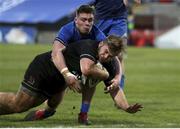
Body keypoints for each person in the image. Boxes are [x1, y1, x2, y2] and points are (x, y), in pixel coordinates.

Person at [0, 35, 126, 120]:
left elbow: (114, 88)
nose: (105, 57)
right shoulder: (89, 46)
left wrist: (126, 107)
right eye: (105, 52)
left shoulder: (109, 62)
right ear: (101, 44)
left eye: (110, 56)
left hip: (59, 79)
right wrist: (105, 75)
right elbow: (86, 69)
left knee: (25, 106)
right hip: (44, 69)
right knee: (19, 104)